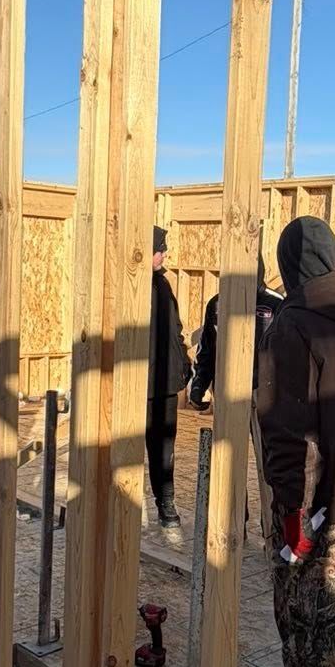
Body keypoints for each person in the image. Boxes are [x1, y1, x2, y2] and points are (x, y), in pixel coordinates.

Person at [242, 216, 335, 667]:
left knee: (304, 627)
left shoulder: (292, 325)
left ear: (290, 267)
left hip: (312, 511)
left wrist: (291, 515)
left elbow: (289, 432)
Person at [187, 254, 283, 407]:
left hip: (264, 394)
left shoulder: (276, 304)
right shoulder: (217, 304)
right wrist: (198, 385)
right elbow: (206, 348)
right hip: (226, 392)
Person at [148, 225, 190, 531]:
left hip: (165, 384)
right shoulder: (131, 289)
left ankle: (166, 503)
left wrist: (183, 362)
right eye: (161, 248)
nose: (165, 253)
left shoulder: (163, 286)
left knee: (164, 447)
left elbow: (175, 329)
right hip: (139, 385)